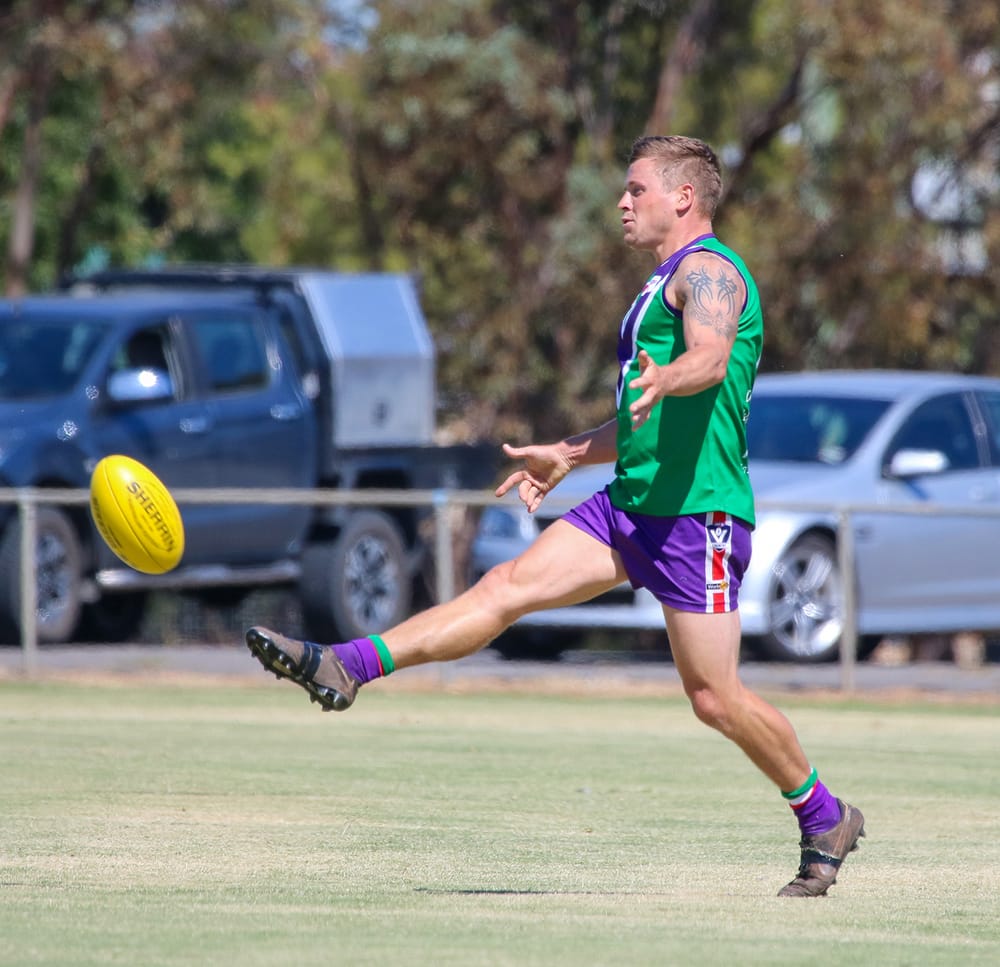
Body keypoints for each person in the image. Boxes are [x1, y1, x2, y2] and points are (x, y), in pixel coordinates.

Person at [246, 135, 865, 898]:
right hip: (631, 505)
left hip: (696, 517)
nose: (623, 203)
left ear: (683, 197)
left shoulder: (710, 271)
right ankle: (348, 664)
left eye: (637, 189)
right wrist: (571, 453)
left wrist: (667, 376)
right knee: (504, 586)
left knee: (714, 697)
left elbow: (707, 358)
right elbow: (648, 416)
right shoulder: (662, 282)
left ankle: (824, 814)